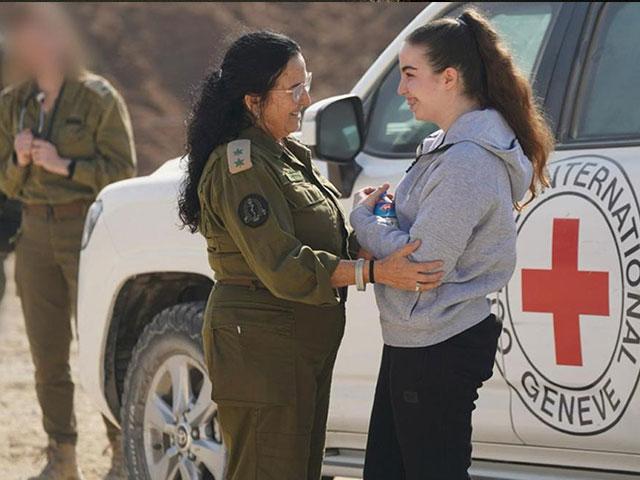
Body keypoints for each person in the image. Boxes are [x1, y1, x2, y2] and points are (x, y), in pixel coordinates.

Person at [178, 31, 445, 480]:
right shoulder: (240, 164)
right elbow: (282, 265)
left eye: (308, 83)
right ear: (253, 100)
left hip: (297, 346)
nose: (307, 98)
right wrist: (373, 271)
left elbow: (314, 238)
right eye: (293, 89)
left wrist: (362, 224)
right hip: (262, 349)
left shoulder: (285, 154)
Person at [350, 9, 554, 480]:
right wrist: (384, 217)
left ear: (448, 78)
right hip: (418, 339)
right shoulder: (446, 146)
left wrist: (364, 220)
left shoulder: (467, 163)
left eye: (409, 75)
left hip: (436, 345)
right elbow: (415, 231)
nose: (401, 89)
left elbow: (421, 264)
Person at [0, 5, 136, 479]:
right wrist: (18, 162)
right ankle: (62, 455)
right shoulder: (13, 102)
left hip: (87, 233)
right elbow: (6, 183)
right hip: (34, 235)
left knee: (100, 346)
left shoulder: (98, 97)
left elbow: (123, 173)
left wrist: (65, 166)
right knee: (46, 353)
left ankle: (122, 450)